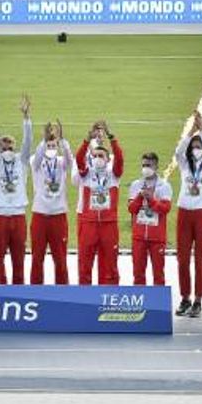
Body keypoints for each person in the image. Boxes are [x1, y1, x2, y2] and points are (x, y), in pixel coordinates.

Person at [0, 97, 34, 285]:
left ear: (15, 148)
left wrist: (26, 117)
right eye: (3, 147)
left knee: (19, 261)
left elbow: (28, 140)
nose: (7, 150)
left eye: (10, 146)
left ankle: (18, 296)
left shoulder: (22, 161)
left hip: (18, 215)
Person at [174, 112, 202, 318]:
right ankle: (185, 297)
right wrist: (191, 132)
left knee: (200, 258)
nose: (196, 149)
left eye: (199, 147)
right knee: (182, 258)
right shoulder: (185, 165)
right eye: (194, 146)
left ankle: (198, 300)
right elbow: (178, 152)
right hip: (184, 212)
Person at [76, 121, 124, 285]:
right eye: (95, 156)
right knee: (85, 263)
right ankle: (84, 298)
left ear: (108, 159)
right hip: (89, 223)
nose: (97, 158)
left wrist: (111, 137)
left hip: (108, 224)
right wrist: (87, 140)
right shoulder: (87, 174)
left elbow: (120, 156)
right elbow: (78, 158)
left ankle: (109, 298)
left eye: (101, 156)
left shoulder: (114, 175)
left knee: (110, 264)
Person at [29, 122, 74, 285]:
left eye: (53, 145)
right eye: (49, 145)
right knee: (37, 258)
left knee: (60, 259)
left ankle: (62, 292)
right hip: (40, 215)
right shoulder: (36, 160)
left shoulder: (62, 162)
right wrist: (44, 140)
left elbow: (70, 160)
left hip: (59, 215)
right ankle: (36, 291)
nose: (51, 148)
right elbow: (39, 156)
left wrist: (62, 141)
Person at [128, 152, 172, 286]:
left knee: (158, 274)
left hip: (156, 238)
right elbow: (131, 209)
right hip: (139, 237)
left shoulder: (164, 186)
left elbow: (165, 209)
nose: (145, 168)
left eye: (149, 165)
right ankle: (140, 304)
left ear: (156, 166)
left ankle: (157, 305)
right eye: (144, 165)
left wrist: (151, 199)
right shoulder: (136, 185)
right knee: (138, 274)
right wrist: (140, 197)